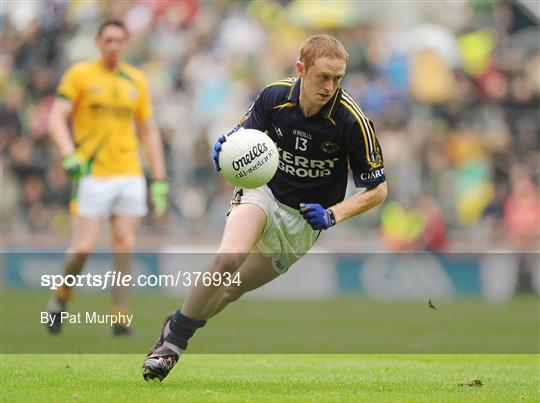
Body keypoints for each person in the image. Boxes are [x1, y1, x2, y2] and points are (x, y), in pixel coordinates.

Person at [142, 34, 387, 380]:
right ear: (301, 69)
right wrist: (225, 148)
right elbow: (241, 137)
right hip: (263, 192)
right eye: (323, 77)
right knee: (229, 258)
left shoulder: (351, 120)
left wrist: (334, 214)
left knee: (230, 290)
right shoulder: (275, 96)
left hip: (303, 223)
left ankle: (177, 323)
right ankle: (171, 347)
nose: (330, 86)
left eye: (338, 79)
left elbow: (377, 189)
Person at [45, 19, 169, 335]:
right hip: (92, 173)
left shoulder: (136, 80)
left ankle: (119, 315)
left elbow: (148, 130)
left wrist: (159, 178)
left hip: (128, 172)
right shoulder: (80, 75)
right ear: (99, 42)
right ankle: (61, 297)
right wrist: (67, 152)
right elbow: (56, 118)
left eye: (119, 40)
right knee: (83, 248)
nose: (113, 46)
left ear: (125, 43)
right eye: (108, 40)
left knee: (124, 245)